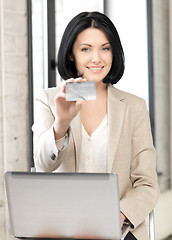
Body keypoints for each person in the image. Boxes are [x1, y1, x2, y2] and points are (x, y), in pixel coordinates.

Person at [33, 11, 159, 240]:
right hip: (63, 228)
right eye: (85, 49)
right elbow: (42, 165)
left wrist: (119, 215)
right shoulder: (49, 100)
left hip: (117, 230)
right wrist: (61, 123)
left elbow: (147, 184)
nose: (96, 58)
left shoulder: (134, 106)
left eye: (105, 48)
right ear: (71, 54)